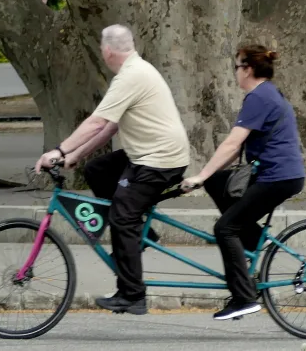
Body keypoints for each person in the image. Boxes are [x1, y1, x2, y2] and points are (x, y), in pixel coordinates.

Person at [35, 25, 190, 315]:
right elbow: (110, 125)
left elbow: (95, 122)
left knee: (122, 215)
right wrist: (77, 155)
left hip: (160, 160)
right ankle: (143, 235)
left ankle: (133, 295)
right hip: (147, 155)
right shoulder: (134, 71)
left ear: (107, 51)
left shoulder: (131, 76)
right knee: (97, 171)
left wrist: (58, 151)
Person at [181, 45, 305, 321]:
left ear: (247, 69)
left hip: (277, 178)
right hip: (278, 174)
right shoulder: (266, 93)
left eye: (236, 67)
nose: (235, 72)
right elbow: (237, 149)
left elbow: (233, 142)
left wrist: (199, 176)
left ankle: (243, 297)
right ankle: (250, 244)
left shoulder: (258, 97)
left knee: (224, 229)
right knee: (217, 183)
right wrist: (207, 178)